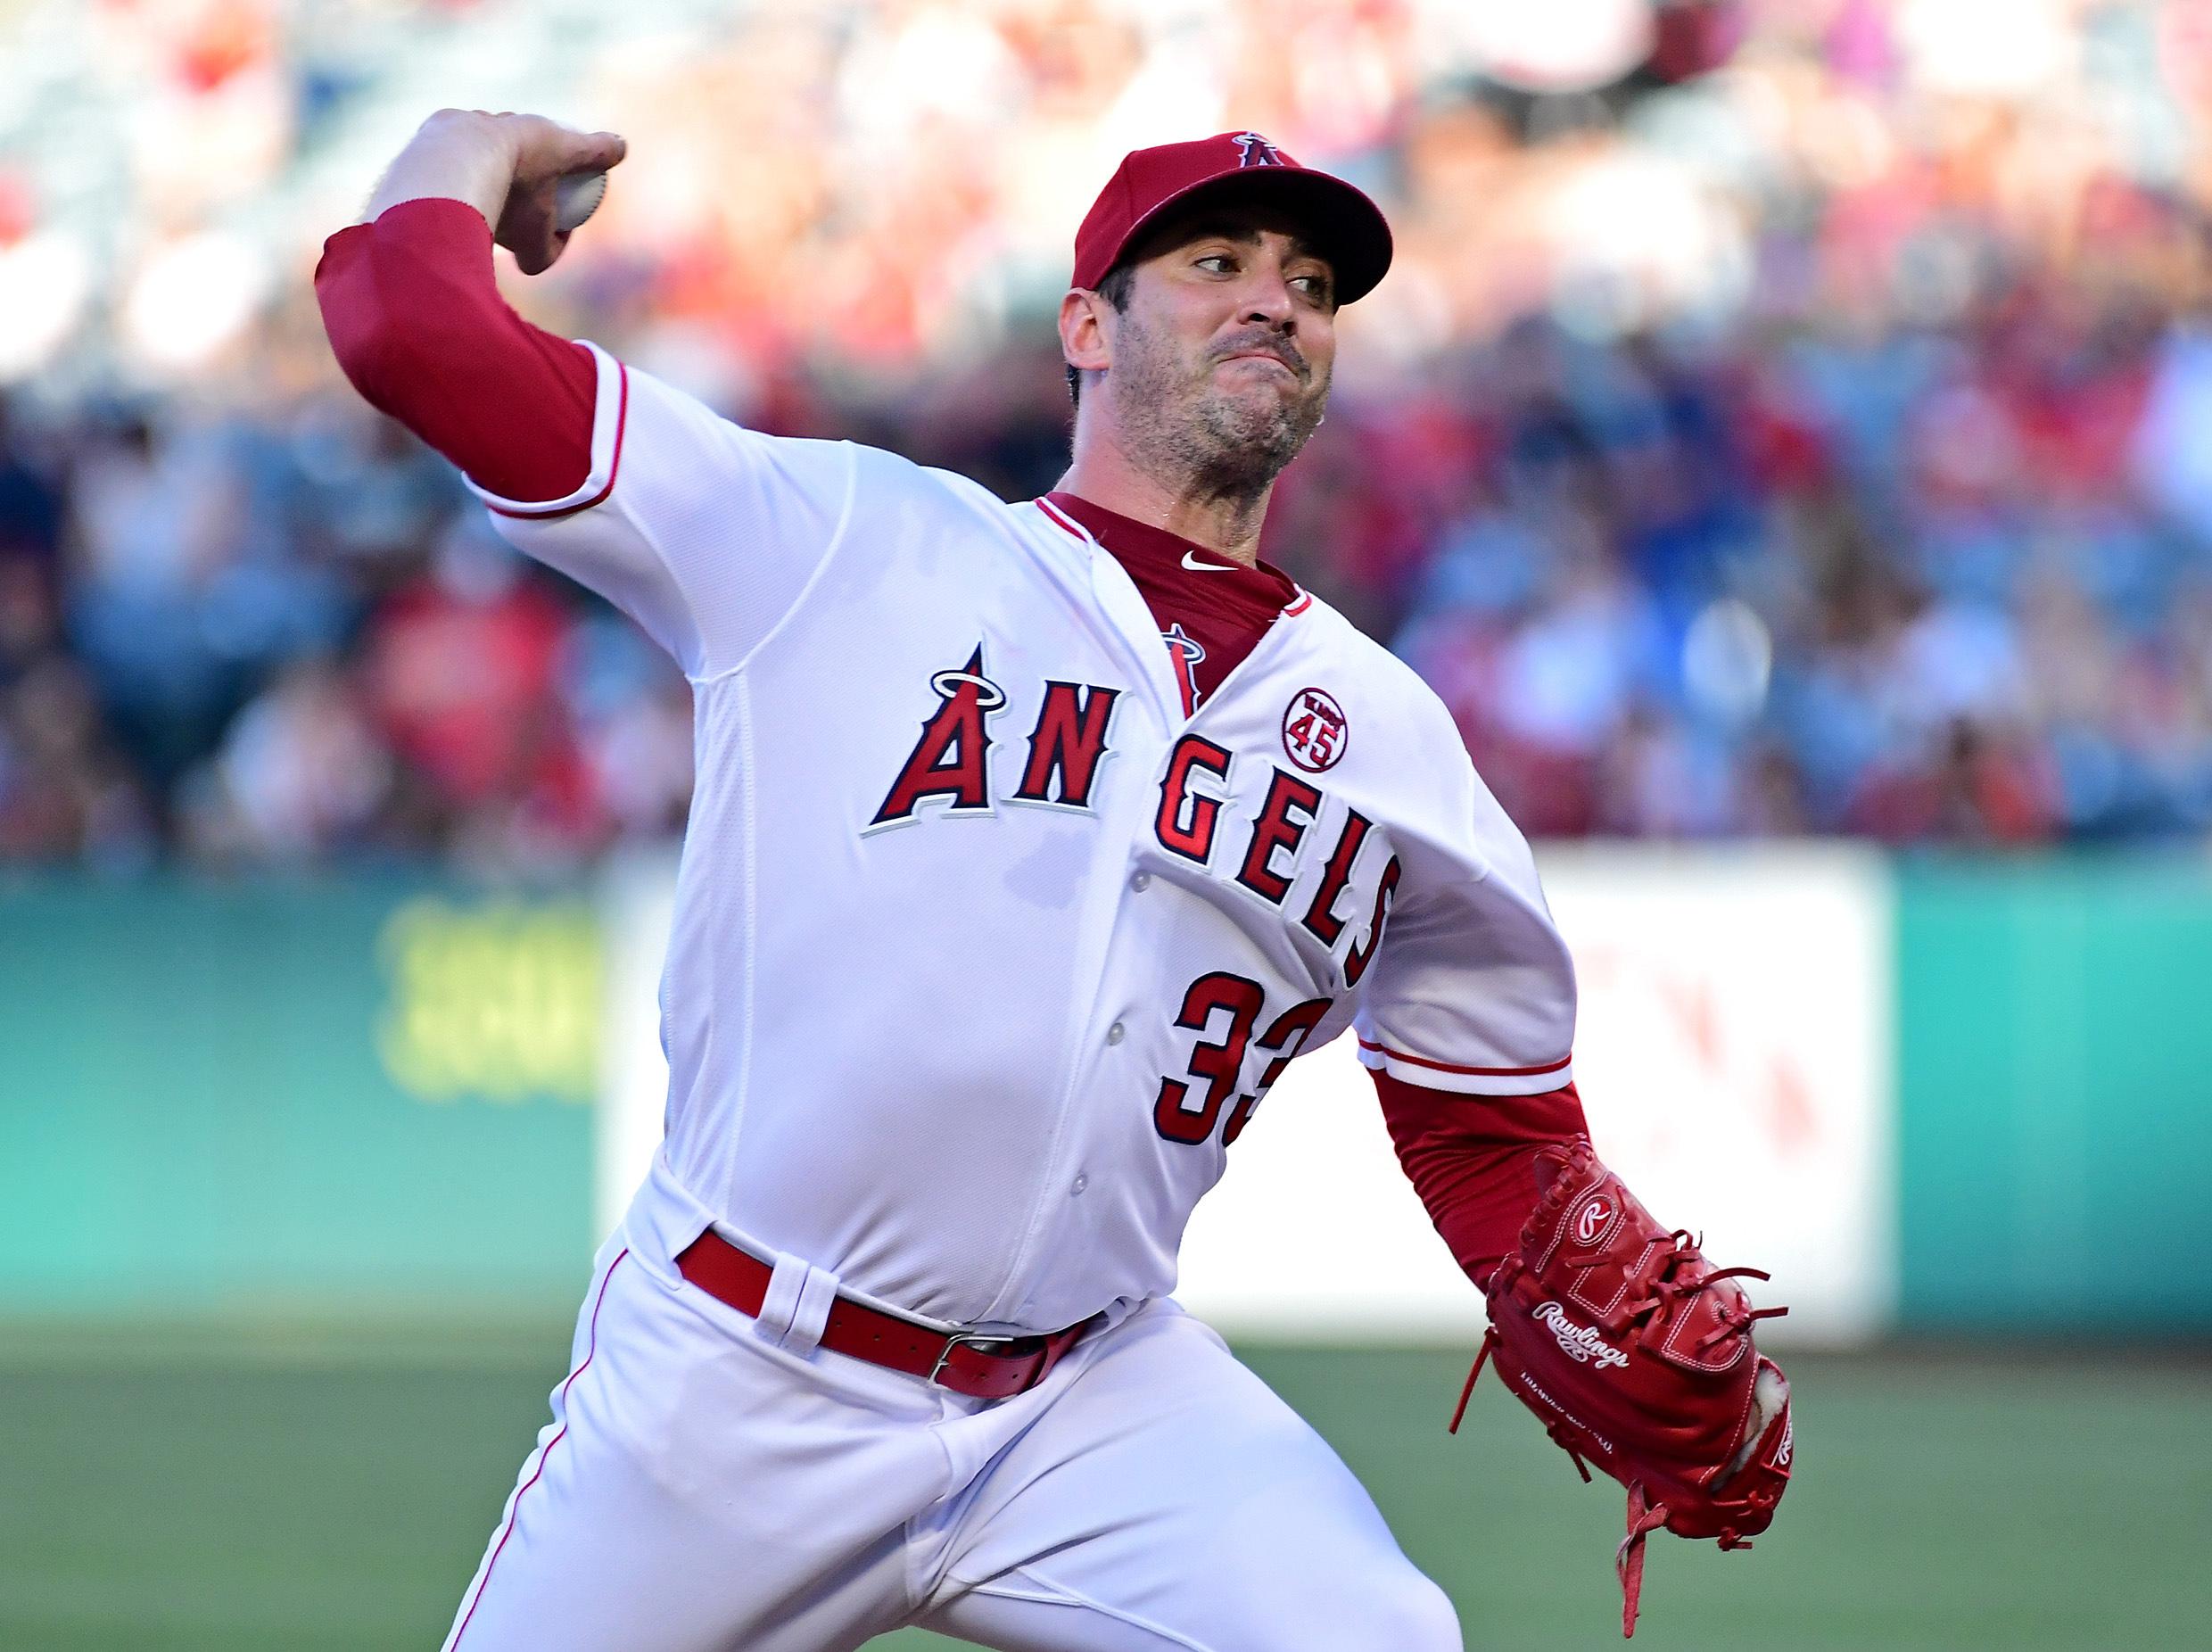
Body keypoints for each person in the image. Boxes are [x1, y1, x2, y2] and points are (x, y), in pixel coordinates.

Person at [317, 112, 1784, 1652]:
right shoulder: (835, 542)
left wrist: (1563, 1269)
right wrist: (462, 146)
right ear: (1087, 326)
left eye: (1309, 282)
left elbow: (1491, 1125)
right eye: (1215, 263)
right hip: (738, 1376)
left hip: (1092, 1401)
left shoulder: (1396, 748)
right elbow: (409, 326)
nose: (1275, 300)